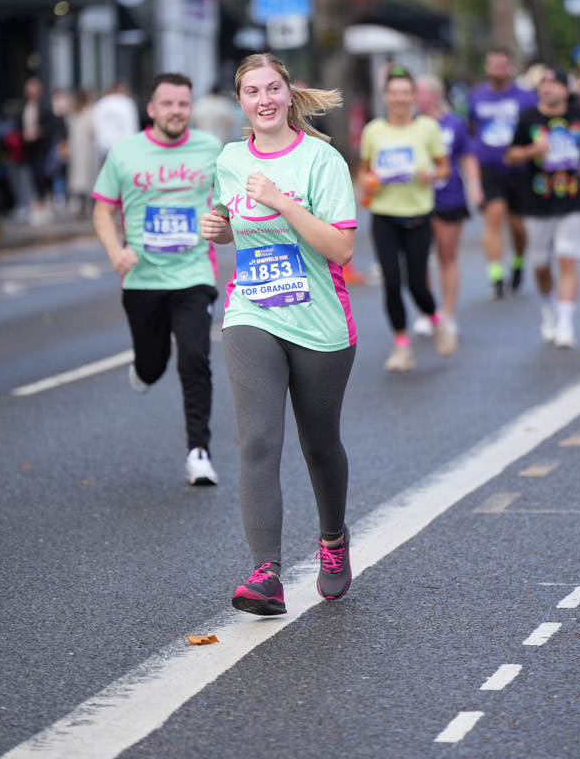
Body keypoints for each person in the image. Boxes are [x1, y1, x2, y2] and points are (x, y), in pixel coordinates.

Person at [200, 53, 357, 617]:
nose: (262, 99)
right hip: (253, 312)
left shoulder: (322, 160)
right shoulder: (231, 158)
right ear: (240, 101)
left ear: (289, 94)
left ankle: (333, 541)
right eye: (250, 91)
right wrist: (216, 229)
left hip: (319, 322)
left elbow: (341, 249)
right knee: (260, 440)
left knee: (319, 444)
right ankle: (266, 572)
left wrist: (281, 201)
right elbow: (230, 222)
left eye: (272, 88)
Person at [92, 73, 222, 485]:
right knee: (152, 366)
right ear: (151, 109)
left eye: (183, 104)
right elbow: (101, 210)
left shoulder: (210, 149)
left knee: (194, 358)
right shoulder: (124, 153)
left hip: (194, 274)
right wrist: (116, 252)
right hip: (142, 279)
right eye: (167, 104)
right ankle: (145, 370)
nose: (176, 111)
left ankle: (198, 451)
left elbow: (227, 202)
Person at [359, 65, 454, 372]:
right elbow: (363, 171)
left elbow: (445, 169)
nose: (400, 98)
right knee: (391, 281)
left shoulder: (427, 128)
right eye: (394, 93)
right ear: (385, 96)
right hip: (384, 215)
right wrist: (370, 181)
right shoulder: (373, 130)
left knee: (416, 284)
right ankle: (401, 345)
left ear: (413, 96)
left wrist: (431, 174)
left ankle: (437, 320)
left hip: (417, 215)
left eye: (405, 93)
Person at [505, 66, 580, 348]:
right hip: (536, 200)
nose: (547, 88)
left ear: (565, 89)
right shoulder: (529, 119)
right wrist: (532, 151)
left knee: (567, 259)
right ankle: (549, 309)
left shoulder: (579, 117)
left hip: (570, 198)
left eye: (553, 83)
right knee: (541, 267)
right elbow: (510, 155)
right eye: (543, 83)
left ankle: (566, 324)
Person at [467, 48, 537, 298]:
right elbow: (471, 131)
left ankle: (518, 263)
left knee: (518, 227)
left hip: (520, 169)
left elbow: (535, 130)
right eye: (493, 65)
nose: (497, 70)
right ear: (487, 67)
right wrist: (474, 177)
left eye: (502, 65)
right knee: (494, 217)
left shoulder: (525, 97)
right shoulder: (476, 96)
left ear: (510, 67)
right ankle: (496, 276)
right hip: (490, 168)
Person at [413, 74, 475, 341]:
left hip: (449, 197)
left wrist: (475, 185)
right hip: (416, 199)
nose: (415, 97)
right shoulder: (409, 125)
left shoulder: (453, 124)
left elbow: (466, 155)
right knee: (419, 260)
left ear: (435, 96)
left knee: (447, 257)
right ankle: (429, 313)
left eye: (420, 92)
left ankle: (448, 313)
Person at [18, 76, 54, 224]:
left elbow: (51, 128)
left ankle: (43, 205)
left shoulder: (45, 109)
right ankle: (34, 205)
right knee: (31, 176)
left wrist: (39, 132)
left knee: (42, 176)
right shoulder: (24, 108)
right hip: (28, 149)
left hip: (42, 149)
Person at [66, 88, 98, 217]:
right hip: (88, 149)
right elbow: (93, 129)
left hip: (76, 149)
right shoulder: (89, 112)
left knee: (78, 179)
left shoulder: (73, 113)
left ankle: (81, 206)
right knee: (88, 178)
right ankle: (87, 207)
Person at [93, 82, 140, 167]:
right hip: (123, 149)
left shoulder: (101, 103)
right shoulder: (126, 103)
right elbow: (131, 128)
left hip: (104, 149)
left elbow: (96, 127)